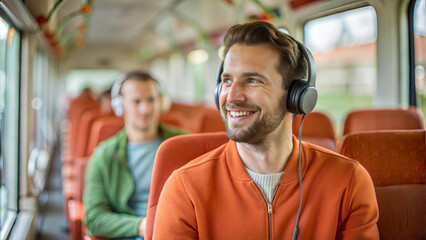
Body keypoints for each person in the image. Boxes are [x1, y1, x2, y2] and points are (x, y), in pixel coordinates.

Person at [153, 21, 379, 239]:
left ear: (296, 96)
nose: (231, 97)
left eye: (252, 80)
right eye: (227, 80)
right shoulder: (185, 188)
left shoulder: (348, 180)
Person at [83, 71, 187, 239]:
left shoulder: (186, 144)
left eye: (151, 100)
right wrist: (141, 226)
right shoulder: (104, 155)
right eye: (136, 101)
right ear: (119, 106)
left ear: (161, 102)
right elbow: (94, 218)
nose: (146, 109)